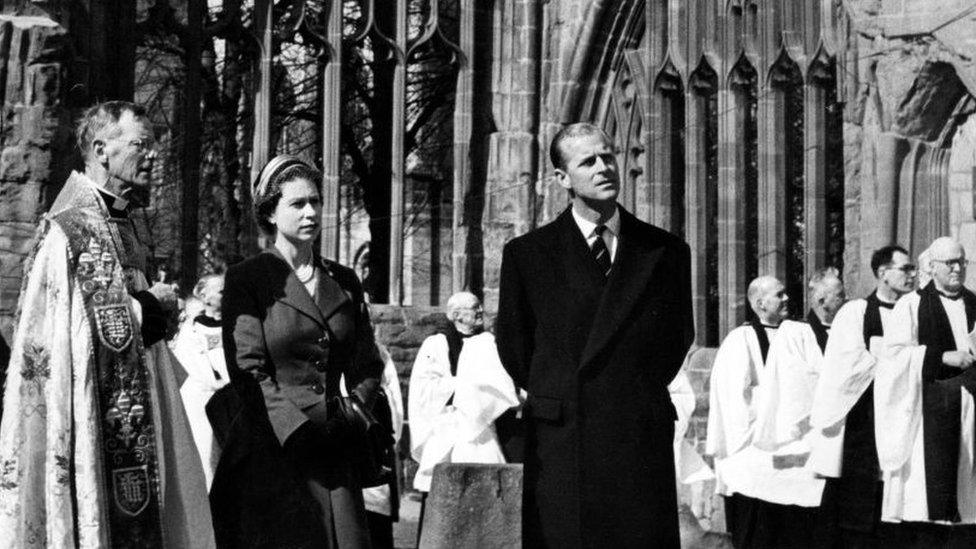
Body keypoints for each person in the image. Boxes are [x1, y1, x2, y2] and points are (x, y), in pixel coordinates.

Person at [0, 101, 214, 547]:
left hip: (138, 400)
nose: (152, 155)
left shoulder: (123, 218)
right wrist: (149, 308)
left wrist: (156, 308)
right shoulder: (72, 228)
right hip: (89, 412)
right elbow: (81, 326)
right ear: (101, 150)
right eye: (141, 144)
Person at [496, 122, 694, 548]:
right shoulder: (528, 255)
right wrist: (563, 391)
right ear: (562, 178)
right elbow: (515, 348)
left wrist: (629, 389)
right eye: (588, 161)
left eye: (608, 156)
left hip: (636, 433)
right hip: (564, 441)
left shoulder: (665, 251)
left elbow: (676, 339)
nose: (604, 168)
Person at [217, 154, 383, 549]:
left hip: (335, 448)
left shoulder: (344, 281)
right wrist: (297, 429)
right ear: (271, 213)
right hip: (274, 447)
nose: (311, 212)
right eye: (297, 204)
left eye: (315, 201)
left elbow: (367, 362)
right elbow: (247, 368)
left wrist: (353, 414)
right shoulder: (249, 279)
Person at [808, 246, 916, 546]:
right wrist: (895, 361)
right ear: (882, 273)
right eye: (905, 269)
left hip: (908, 416)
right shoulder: (857, 312)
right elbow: (845, 365)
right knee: (861, 513)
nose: (912, 275)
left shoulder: (918, 309)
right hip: (866, 419)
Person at [874, 237, 976, 546]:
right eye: (950, 263)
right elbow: (892, 358)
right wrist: (942, 356)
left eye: (962, 262)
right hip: (927, 414)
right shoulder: (912, 304)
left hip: (970, 411)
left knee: (968, 505)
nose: (957, 268)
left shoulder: (974, 302)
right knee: (928, 513)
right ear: (931, 267)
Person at [409, 291, 520, 539]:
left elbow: (500, 381)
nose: (480, 311)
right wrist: (465, 387)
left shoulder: (487, 342)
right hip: (449, 427)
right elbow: (425, 388)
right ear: (456, 315)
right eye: (474, 307)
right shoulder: (437, 343)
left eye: (480, 306)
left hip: (482, 430)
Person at [747, 267, 846, 547]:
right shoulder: (799, 333)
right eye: (841, 296)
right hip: (802, 438)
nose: (846, 300)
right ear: (822, 301)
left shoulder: (837, 329)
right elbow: (796, 389)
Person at [706, 276, 789, 548]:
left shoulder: (794, 334)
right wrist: (778, 404)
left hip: (785, 455)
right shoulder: (740, 340)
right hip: (750, 455)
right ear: (761, 303)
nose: (787, 298)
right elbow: (733, 402)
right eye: (781, 294)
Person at [172, 273, 229, 490]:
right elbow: (192, 368)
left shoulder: (237, 326)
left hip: (233, 401)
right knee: (207, 457)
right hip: (202, 404)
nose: (228, 294)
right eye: (222, 291)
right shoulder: (190, 330)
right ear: (204, 296)